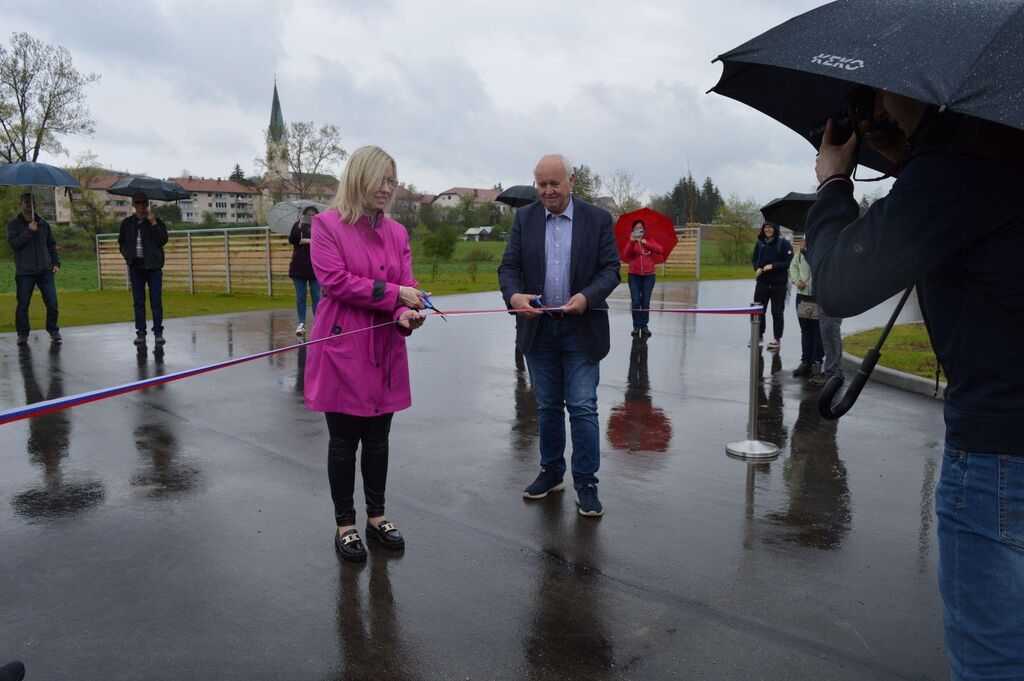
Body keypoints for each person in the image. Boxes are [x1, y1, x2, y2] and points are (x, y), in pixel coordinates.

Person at [809, 91, 1024, 679]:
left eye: (878, 95)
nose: (872, 107)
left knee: (995, 663)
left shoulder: (958, 168)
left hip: (1001, 451)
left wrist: (834, 183)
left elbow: (839, 284)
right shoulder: (1001, 149)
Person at [303, 145, 426, 562]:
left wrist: (407, 313)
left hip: (385, 347)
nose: (387, 189)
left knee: (378, 440)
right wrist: (396, 295)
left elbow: (406, 285)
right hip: (342, 346)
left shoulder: (397, 232)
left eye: (392, 181)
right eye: (380, 180)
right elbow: (335, 281)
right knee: (343, 442)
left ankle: (377, 516)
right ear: (359, 178)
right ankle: (345, 524)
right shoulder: (326, 225)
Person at [498, 154, 621, 517]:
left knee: (582, 407)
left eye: (554, 183)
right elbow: (508, 267)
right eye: (541, 185)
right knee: (548, 406)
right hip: (538, 327)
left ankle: (586, 484)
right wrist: (514, 296)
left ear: (571, 180)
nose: (547, 191)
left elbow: (610, 269)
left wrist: (587, 297)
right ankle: (552, 472)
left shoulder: (597, 219)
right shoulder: (524, 219)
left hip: (580, 327)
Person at [7, 192, 61, 345]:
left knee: (52, 303)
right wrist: (29, 231)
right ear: (21, 205)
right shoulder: (14, 225)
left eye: (31, 202)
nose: (29, 205)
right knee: (23, 305)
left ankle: (53, 330)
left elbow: (51, 245)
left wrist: (56, 263)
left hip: (45, 270)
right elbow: (14, 244)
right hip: (25, 272)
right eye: (26, 202)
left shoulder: (43, 224)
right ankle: (23, 334)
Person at [118, 193, 168, 346]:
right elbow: (122, 243)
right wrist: (128, 256)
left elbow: (162, 240)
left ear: (147, 204)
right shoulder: (127, 223)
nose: (141, 205)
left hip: (153, 267)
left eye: (143, 202)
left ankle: (158, 332)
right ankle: (140, 332)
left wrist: (153, 223)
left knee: (156, 301)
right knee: (138, 302)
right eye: (138, 202)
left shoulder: (156, 221)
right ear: (133, 204)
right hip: (136, 267)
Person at [751, 221, 792, 351]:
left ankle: (777, 339)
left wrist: (773, 266)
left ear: (775, 229)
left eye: (770, 227)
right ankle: (758, 336)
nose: (767, 230)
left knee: (777, 312)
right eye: (765, 227)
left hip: (778, 283)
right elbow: (754, 259)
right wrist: (757, 268)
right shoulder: (760, 243)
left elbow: (789, 262)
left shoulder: (783, 243)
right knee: (758, 310)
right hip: (762, 282)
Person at [623, 219, 663, 338]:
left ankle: (644, 326)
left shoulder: (649, 240)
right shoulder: (631, 241)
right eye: (636, 228)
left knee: (645, 302)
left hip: (648, 276)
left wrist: (646, 243)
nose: (638, 230)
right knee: (636, 301)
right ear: (633, 230)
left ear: (643, 230)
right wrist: (632, 242)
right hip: (634, 276)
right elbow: (626, 254)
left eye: (640, 228)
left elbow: (660, 250)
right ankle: (636, 326)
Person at [789, 241, 823, 378]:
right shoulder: (799, 254)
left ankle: (816, 362)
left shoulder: (822, 250)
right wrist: (797, 281)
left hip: (818, 296)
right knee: (805, 330)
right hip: (802, 296)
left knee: (817, 330)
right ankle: (805, 361)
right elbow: (793, 267)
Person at [288, 205, 321, 335]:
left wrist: (307, 241)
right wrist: (300, 225)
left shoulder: (320, 226)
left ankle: (318, 323)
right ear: (304, 215)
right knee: (301, 296)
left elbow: (323, 242)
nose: (311, 217)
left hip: (315, 267)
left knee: (317, 296)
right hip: (298, 267)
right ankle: (301, 323)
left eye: (314, 215)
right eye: (308, 215)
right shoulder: (298, 225)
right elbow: (292, 239)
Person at [809, 308, 843, 387]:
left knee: (830, 333)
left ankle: (833, 373)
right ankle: (833, 371)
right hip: (828, 304)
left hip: (832, 304)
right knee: (828, 335)